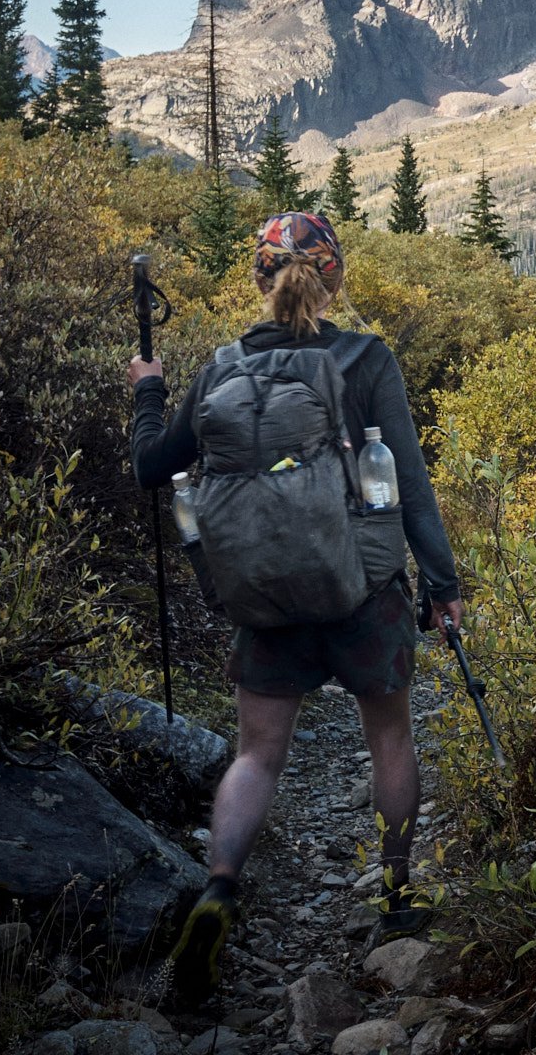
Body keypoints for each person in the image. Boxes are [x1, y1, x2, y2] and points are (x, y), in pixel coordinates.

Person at [127, 211, 461, 1003]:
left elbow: (151, 468)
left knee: (257, 754)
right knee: (389, 738)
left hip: (266, 595)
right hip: (363, 590)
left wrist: (148, 392)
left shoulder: (221, 367)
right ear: (332, 275)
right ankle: (397, 897)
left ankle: (219, 885)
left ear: (259, 278)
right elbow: (410, 484)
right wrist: (442, 586)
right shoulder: (366, 359)